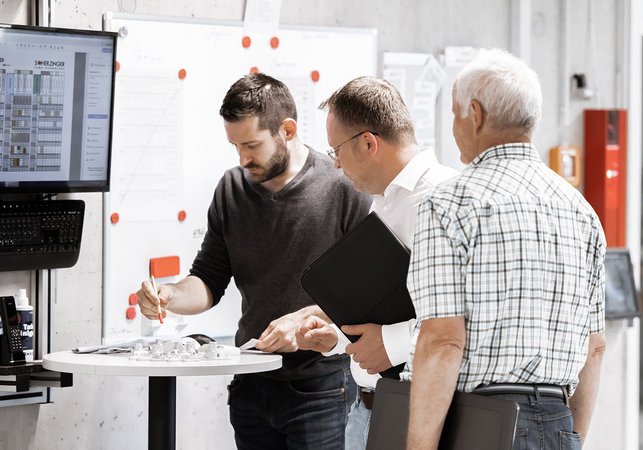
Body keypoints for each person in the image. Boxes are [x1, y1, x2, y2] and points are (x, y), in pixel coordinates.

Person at [135, 73, 371, 450]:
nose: (243, 159)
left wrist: (307, 322)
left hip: (321, 387)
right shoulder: (231, 188)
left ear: (287, 130)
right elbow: (208, 280)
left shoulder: (343, 186)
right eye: (235, 146)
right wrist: (169, 295)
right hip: (250, 381)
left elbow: (366, 288)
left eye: (251, 145)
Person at [404, 49, 607, 450]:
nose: (454, 126)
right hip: (557, 421)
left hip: (478, 423)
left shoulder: (449, 205)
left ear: (474, 114)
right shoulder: (581, 211)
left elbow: (443, 342)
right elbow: (595, 348)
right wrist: (571, 439)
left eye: (455, 114)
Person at [294, 76, 457, 449]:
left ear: (368, 143)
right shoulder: (384, 201)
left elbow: (470, 319)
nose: (335, 165)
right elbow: (391, 305)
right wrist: (338, 338)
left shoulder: (443, 199)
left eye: (336, 151)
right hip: (365, 408)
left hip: (419, 416)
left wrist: (392, 342)